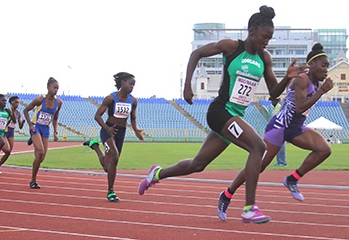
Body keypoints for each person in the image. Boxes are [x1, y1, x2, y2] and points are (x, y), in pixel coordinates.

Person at [138, 5, 308, 224]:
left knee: (197, 164)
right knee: (258, 147)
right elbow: (196, 53)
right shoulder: (231, 47)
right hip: (220, 111)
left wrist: (287, 78)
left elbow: (274, 93)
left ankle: (157, 173)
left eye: (270, 38)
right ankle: (249, 208)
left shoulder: (264, 58)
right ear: (252, 31)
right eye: (265, 37)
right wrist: (187, 86)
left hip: (236, 115)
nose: (267, 42)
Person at [217, 42, 333, 221]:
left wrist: (321, 90)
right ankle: (227, 194)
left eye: (328, 66)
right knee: (259, 166)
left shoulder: (319, 83)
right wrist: (322, 92)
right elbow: (300, 108)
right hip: (280, 127)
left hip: (296, 128)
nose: (327, 70)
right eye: (323, 65)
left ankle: (292, 179)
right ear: (311, 65)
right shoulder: (302, 79)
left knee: (324, 149)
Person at [94, 72, 143, 202]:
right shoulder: (110, 98)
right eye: (130, 83)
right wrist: (107, 128)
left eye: (134, 85)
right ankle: (111, 192)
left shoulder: (133, 100)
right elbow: (97, 116)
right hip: (109, 130)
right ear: (122, 82)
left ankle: (95, 147)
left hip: (121, 132)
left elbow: (133, 118)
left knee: (108, 166)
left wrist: (136, 130)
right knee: (114, 156)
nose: (132, 86)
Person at [23, 77, 63, 189]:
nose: (56, 90)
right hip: (36, 127)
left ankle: (35, 140)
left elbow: (55, 118)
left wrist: (55, 131)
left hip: (46, 129)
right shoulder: (40, 100)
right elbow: (26, 110)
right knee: (40, 152)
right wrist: (30, 125)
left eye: (57, 88)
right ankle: (33, 181)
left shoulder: (59, 102)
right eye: (54, 87)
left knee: (42, 157)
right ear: (48, 87)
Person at [269, 97, 287, 167]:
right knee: (276, 145)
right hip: (275, 128)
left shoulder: (279, 107)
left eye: (274, 100)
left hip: (280, 128)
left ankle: (282, 162)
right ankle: (280, 161)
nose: (273, 102)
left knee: (281, 146)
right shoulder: (272, 108)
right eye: (272, 100)